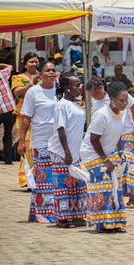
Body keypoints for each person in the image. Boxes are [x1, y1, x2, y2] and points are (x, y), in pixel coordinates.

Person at [79, 81, 129, 233]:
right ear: (112, 99)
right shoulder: (102, 114)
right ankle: (102, 223)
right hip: (92, 152)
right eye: (122, 100)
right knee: (104, 184)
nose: (125, 103)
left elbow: (118, 134)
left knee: (116, 185)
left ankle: (116, 221)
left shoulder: (123, 112)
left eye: (126, 100)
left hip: (108, 151)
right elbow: (94, 140)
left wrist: (120, 152)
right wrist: (106, 160)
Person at [18, 60, 58, 223]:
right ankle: (43, 212)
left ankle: (35, 211)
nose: (51, 73)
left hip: (57, 140)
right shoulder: (33, 92)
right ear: (39, 74)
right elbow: (26, 118)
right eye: (47, 70)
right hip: (40, 139)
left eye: (53, 70)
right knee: (43, 177)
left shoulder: (60, 90)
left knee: (54, 176)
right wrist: (22, 141)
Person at [47, 73, 87, 228]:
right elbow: (61, 129)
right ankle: (63, 218)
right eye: (76, 85)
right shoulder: (61, 105)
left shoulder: (75, 104)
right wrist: (67, 152)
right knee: (64, 185)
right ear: (67, 88)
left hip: (74, 152)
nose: (79, 87)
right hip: (62, 152)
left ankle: (77, 215)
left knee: (77, 184)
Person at [12, 52, 40, 188]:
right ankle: (27, 179)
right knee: (27, 146)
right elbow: (18, 93)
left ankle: (38, 177)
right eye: (31, 62)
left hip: (40, 115)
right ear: (25, 64)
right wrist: (32, 83)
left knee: (37, 146)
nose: (34, 64)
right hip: (24, 115)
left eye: (36, 62)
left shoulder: (44, 77)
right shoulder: (18, 77)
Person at [0, 59, 16, 165]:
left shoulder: (2, 74)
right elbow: (9, 66)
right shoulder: (3, 74)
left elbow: (10, 66)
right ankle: (8, 159)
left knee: (8, 135)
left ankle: (8, 159)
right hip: (9, 109)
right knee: (7, 136)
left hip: (8, 109)